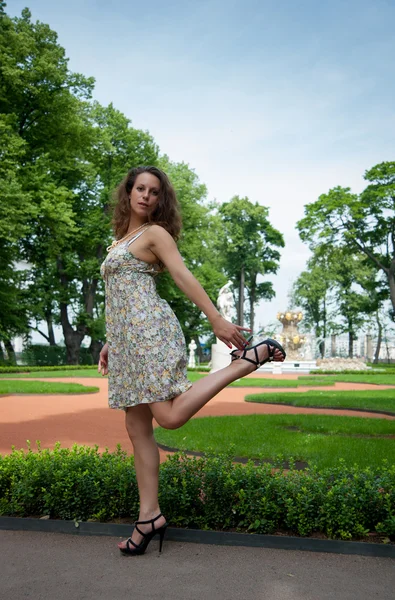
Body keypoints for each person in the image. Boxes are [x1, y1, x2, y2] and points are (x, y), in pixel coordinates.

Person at [98, 166, 286, 557]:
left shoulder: (155, 234)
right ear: (128, 193)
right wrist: (109, 341)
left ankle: (244, 362)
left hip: (150, 334)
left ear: (159, 200)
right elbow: (119, 296)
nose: (146, 196)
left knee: (167, 417)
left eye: (154, 191)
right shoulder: (121, 239)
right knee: (136, 427)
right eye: (140, 188)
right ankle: (148, 517)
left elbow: (182, 275)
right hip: (127, 343)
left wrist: (215, 318)